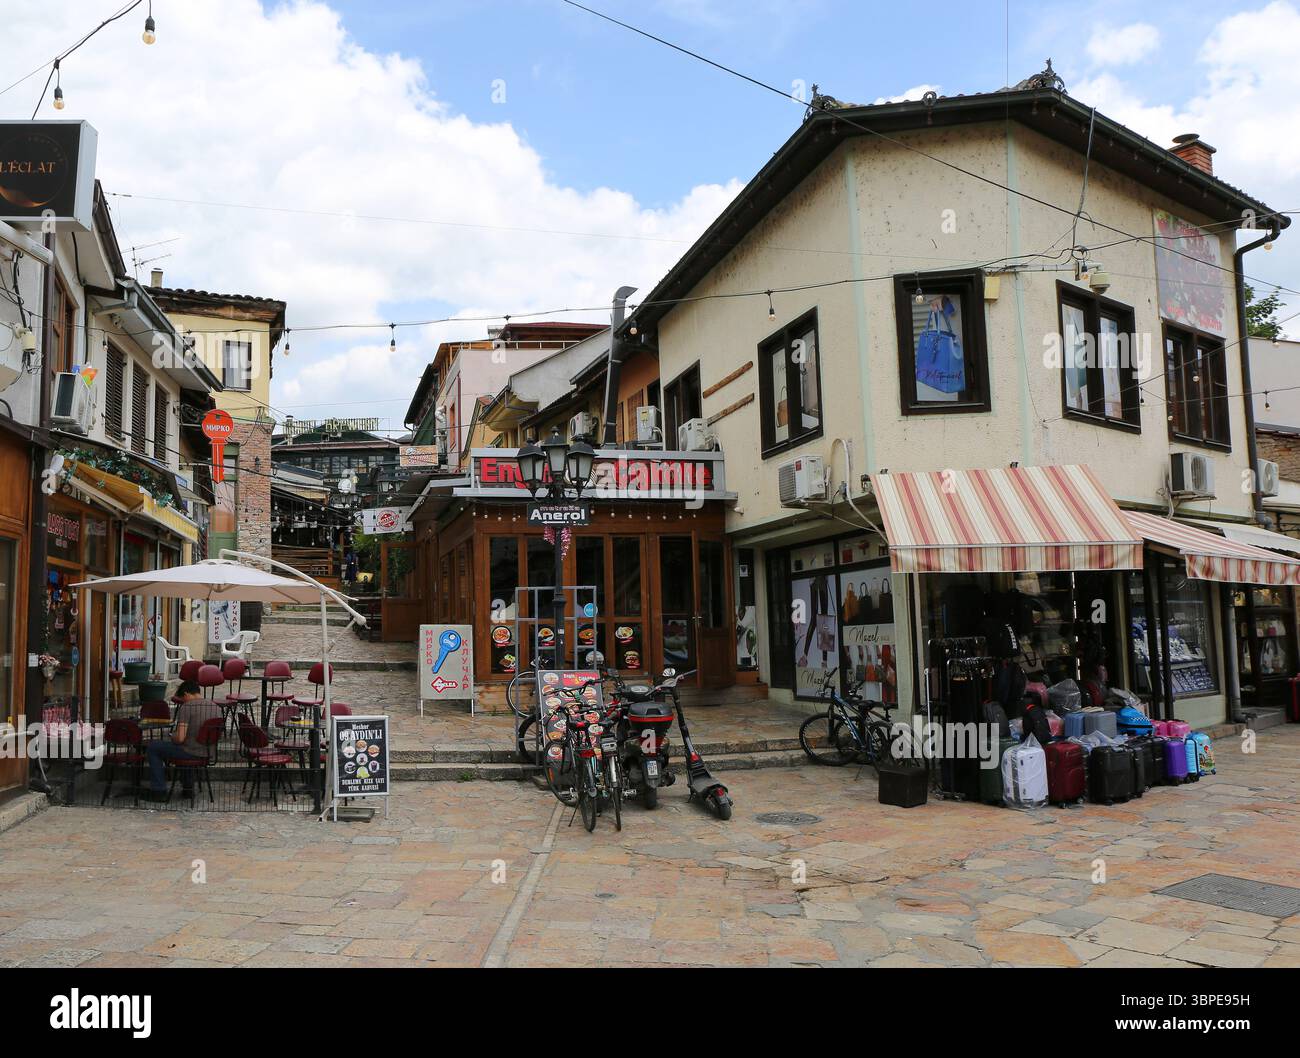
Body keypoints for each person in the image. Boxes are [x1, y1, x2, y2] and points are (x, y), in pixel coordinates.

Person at [144, 680, 223, 802]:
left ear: (186, 694)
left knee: (154, 747)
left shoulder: (187, 707)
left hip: (190, 752)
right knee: (184, 747)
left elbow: (180, 738)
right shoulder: (216, 708)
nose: (183, 701)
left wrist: (172, 735)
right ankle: (188, 788)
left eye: (183, 698)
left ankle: (158, 790)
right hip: (207, 752)